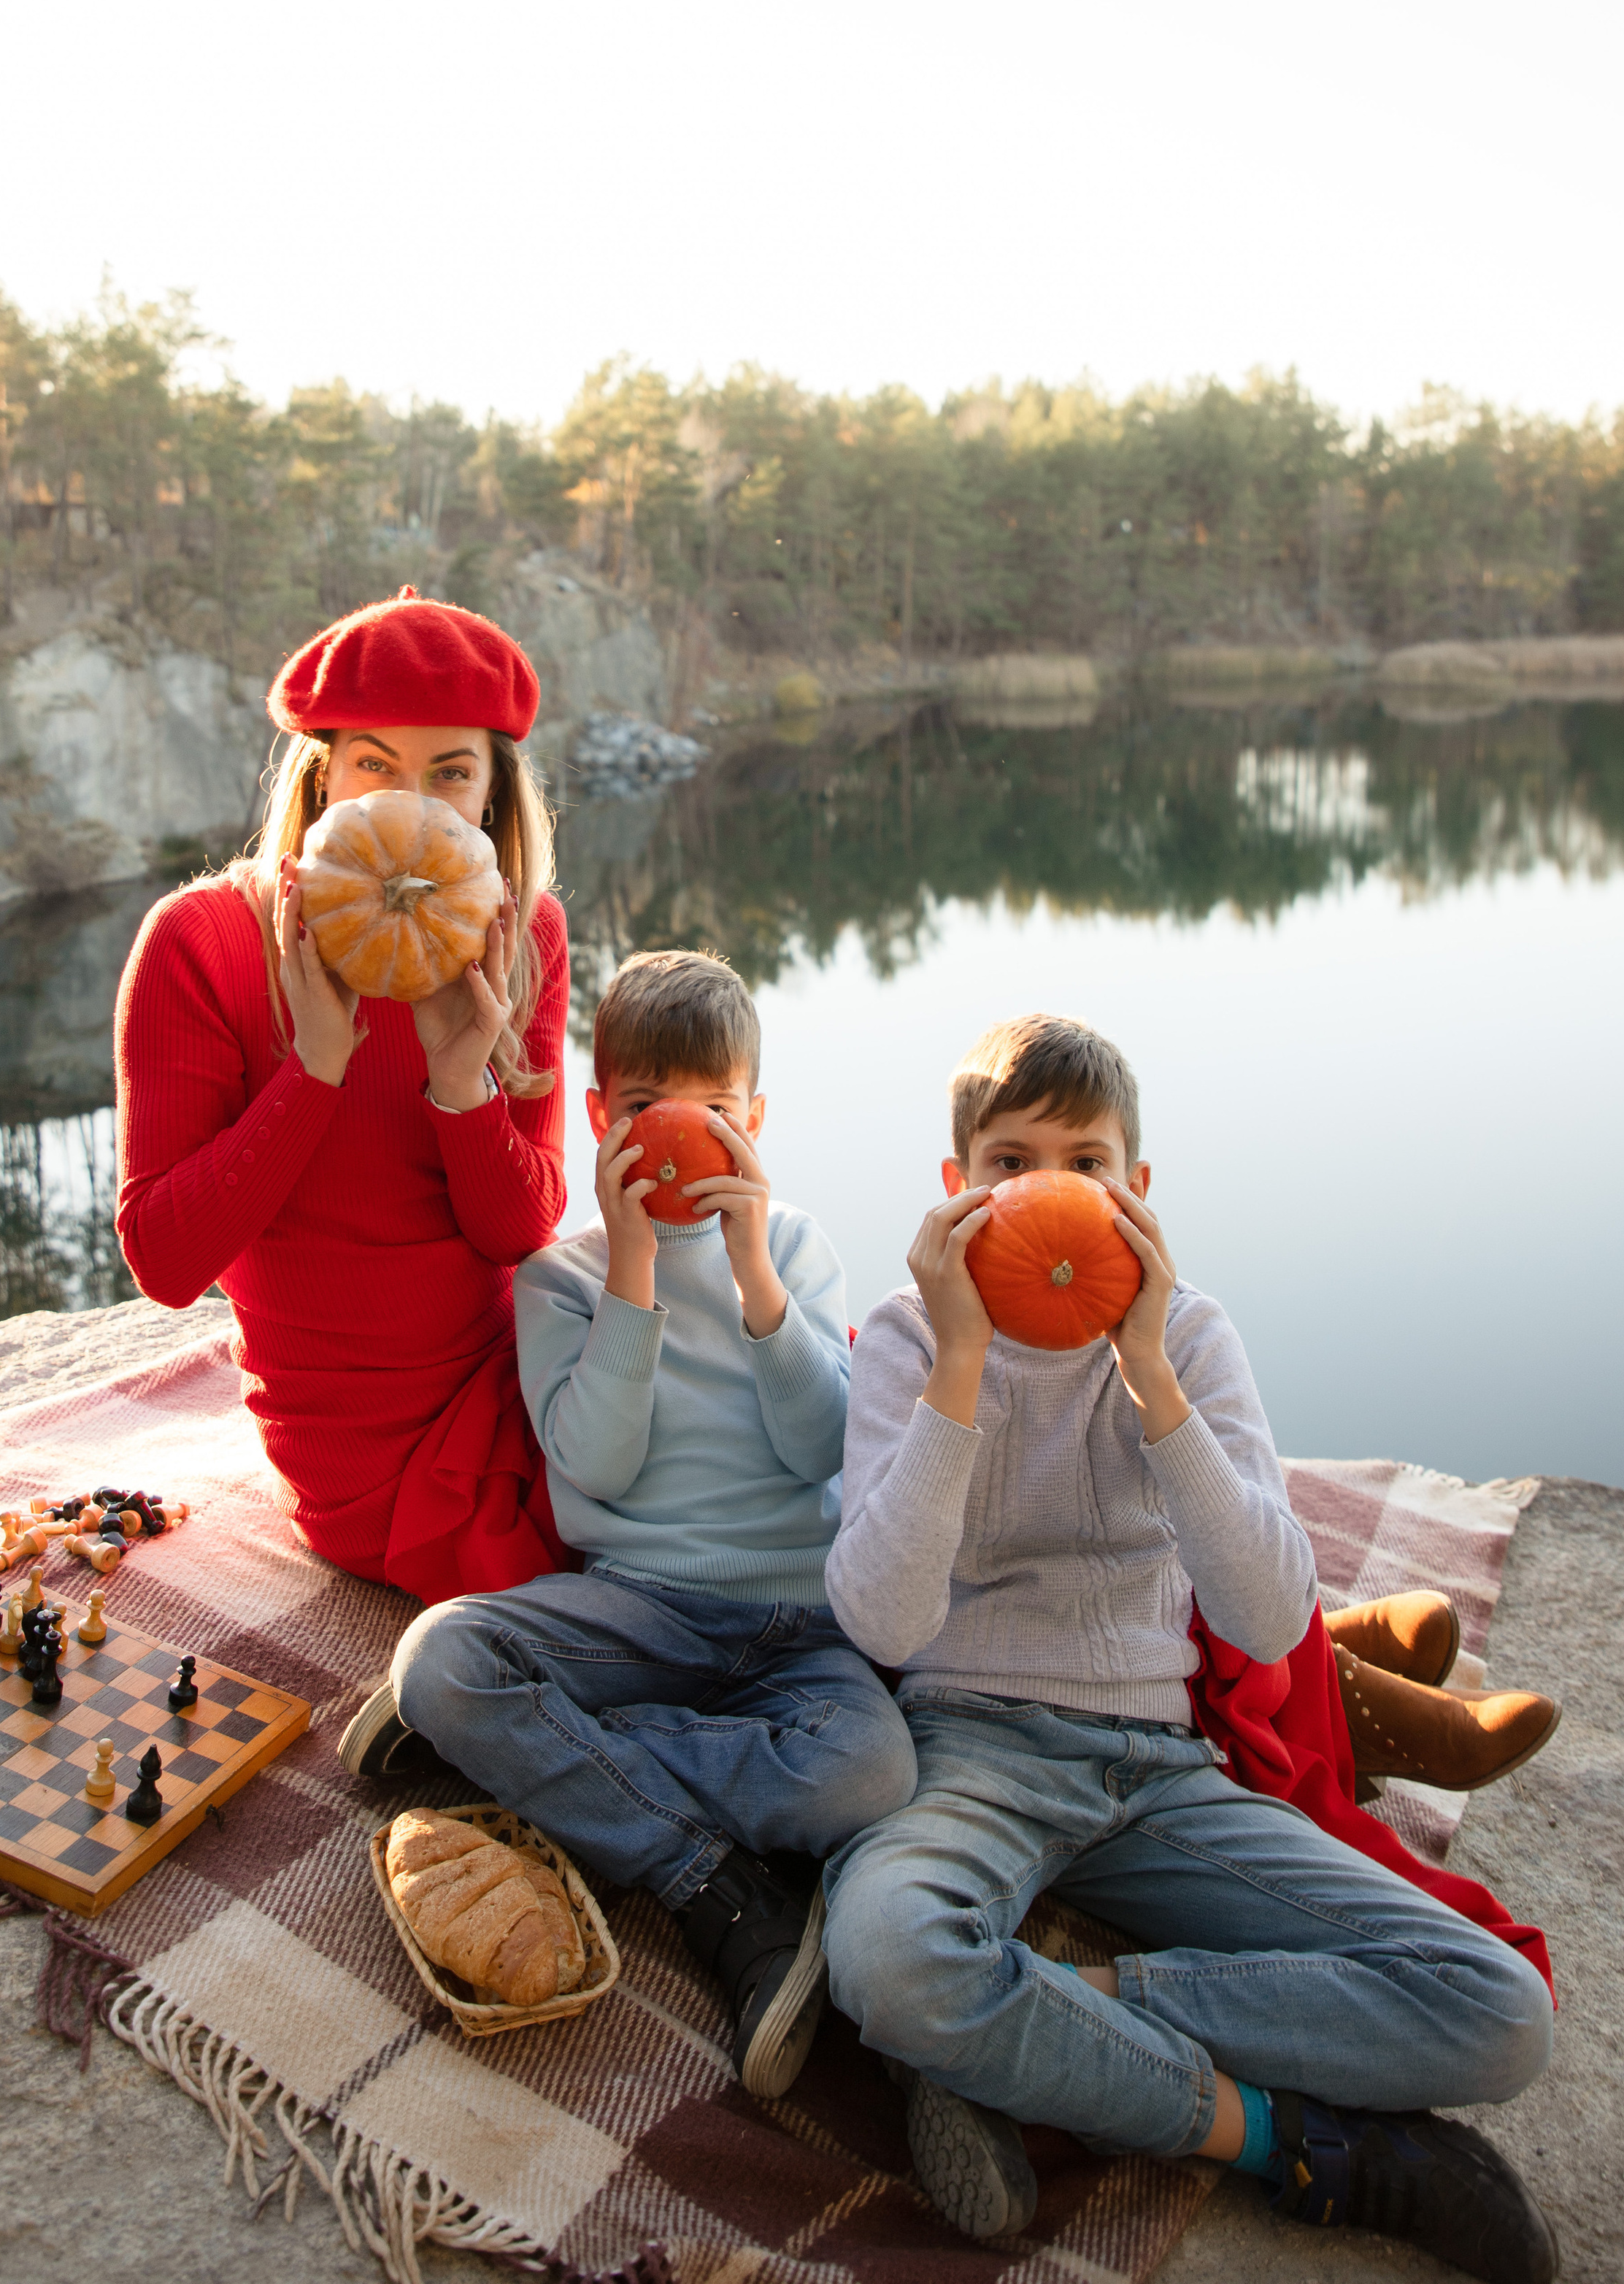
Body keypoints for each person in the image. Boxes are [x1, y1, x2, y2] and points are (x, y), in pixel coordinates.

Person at [820, 1013, 1558, 2284]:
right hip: (970, 1752)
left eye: (1085, 1161)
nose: (1046, 1187)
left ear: (1139, 1191)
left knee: (1502, 2015)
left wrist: (1148, 1369)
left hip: (1157, 1770)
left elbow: (1274, 1619)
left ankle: (1031, 2031)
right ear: (955, 1191)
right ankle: (1296, 2143)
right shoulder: (906, 1338)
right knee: (886, 1954)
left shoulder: (1193, 1337)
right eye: (1008, 1162)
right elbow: (882, 1620)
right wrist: (959, 1365)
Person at [349, 949, 917, 2099]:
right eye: (653, 1107)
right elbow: (595, 1462)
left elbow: (825, 1450)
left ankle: (567, 1763)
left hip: (802, 1621)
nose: (686, 1134)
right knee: (442, 1662)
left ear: (756, 1120)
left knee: (872, 1775)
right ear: (604, 1117)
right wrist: (638, 1272)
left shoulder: (798, 1251)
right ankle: (702, 1872)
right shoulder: (563, 1277)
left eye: (715, 1111)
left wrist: (753, 1272)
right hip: (640, 1607)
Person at [115, 586, 572, 1602]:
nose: (409, 802)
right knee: (641, 1556)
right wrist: (312, 1070)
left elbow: (519, 1232)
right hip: (360, 1444)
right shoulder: (202, 942)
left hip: (516, 1375)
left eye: (451, 773)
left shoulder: (522, 937)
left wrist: (462, 1085)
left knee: (758, 1438)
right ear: (324, 784)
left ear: (492, 798)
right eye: (375, 765)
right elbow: (164, 1259)